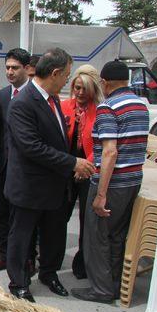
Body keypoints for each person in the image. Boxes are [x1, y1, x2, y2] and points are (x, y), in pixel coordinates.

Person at [5, 48, 95, 302]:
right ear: (54, 73)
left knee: (55, 233)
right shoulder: (23, 102)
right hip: (29, 185)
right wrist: (72, 163)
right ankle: (19, 281)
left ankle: (49, 272)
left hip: (55, 184)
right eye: (66, 75)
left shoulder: (53, 99)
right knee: (22, 236)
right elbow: (31, 147)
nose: (68, 80)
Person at [72, 60, 149, 304]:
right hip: (133, 181)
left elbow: (109, 152)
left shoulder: (108, 107)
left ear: (104, 83)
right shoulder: (140, 104)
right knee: (117, 235)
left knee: (97, 236)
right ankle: (113, 284)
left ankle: (101, 289)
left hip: (112, 182)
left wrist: (100, 193)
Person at [0, 48, 31, 274]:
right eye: (8, 68)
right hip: (3, 166)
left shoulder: (35, 95)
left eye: (15, 68)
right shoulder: (2, 95)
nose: (10, 72)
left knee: (22, 216)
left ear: (27, 69)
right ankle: (3, 255)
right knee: (1, 214)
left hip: (26, 170)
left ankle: (26, 258)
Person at [60, 64, 104, 280]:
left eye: (84, 89)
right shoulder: (64, 106)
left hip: (89, 171)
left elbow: (103, 146)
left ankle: (83, 263)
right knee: (58, 216)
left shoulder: (101, 111)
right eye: (76, 88)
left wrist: (86, 166)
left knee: (87, 222)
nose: (79, 93)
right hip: (65, 168)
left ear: (93, 89)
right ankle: (52, 258)